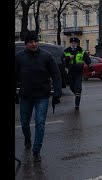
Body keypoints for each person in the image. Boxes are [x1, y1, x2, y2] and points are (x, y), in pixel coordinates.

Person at [15, 31, 62, 162]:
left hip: (42, 95)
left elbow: (56, 75)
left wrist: (57, 93)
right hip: (26, 95)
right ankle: (27, 138)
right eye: (31, 42)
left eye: (35, 41)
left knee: (40, 123)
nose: (34, 44)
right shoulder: (19, 57)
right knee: (24, 123)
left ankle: (36, 151)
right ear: (26, 44)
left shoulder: (47, 56)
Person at [63, 37, 95, 110]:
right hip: (70, 72)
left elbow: (88, 60)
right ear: (70, 43)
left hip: (78, 71)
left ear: (77, 44)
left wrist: (92, 69)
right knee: (71, 87)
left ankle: (77, 104)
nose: (73, 44)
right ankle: (78, 95)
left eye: (75, 43)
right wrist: (69, 58)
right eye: (72, 43)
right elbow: (62, 60)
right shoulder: (66, 51)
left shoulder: (81, 51)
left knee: (78, 87)